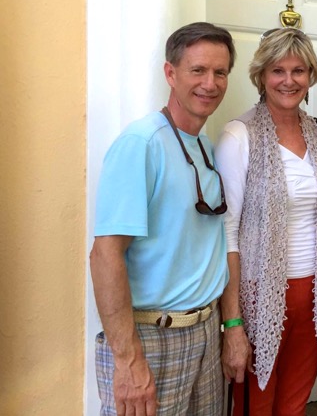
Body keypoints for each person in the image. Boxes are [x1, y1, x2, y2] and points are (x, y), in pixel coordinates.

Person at [90, 22, 236, 416]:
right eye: (198, 70)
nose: (210, 83)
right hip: (152, 337)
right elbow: (105, 255)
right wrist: (128, 360)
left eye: (220, 72)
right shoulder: (141, 144)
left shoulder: (205, 145)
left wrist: (227, 327)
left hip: (205, 331)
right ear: (170, 73)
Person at [215, 27, 317, 416]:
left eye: (298, 70)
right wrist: (232, 322)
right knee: (255, 405)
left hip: (314, 295)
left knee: (294, 405)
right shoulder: (240, 135)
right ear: (261, 76)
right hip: (258, 297)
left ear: (310, 76)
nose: (288, 80)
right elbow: (226, 233)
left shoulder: (315, 132)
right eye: (277, 70)